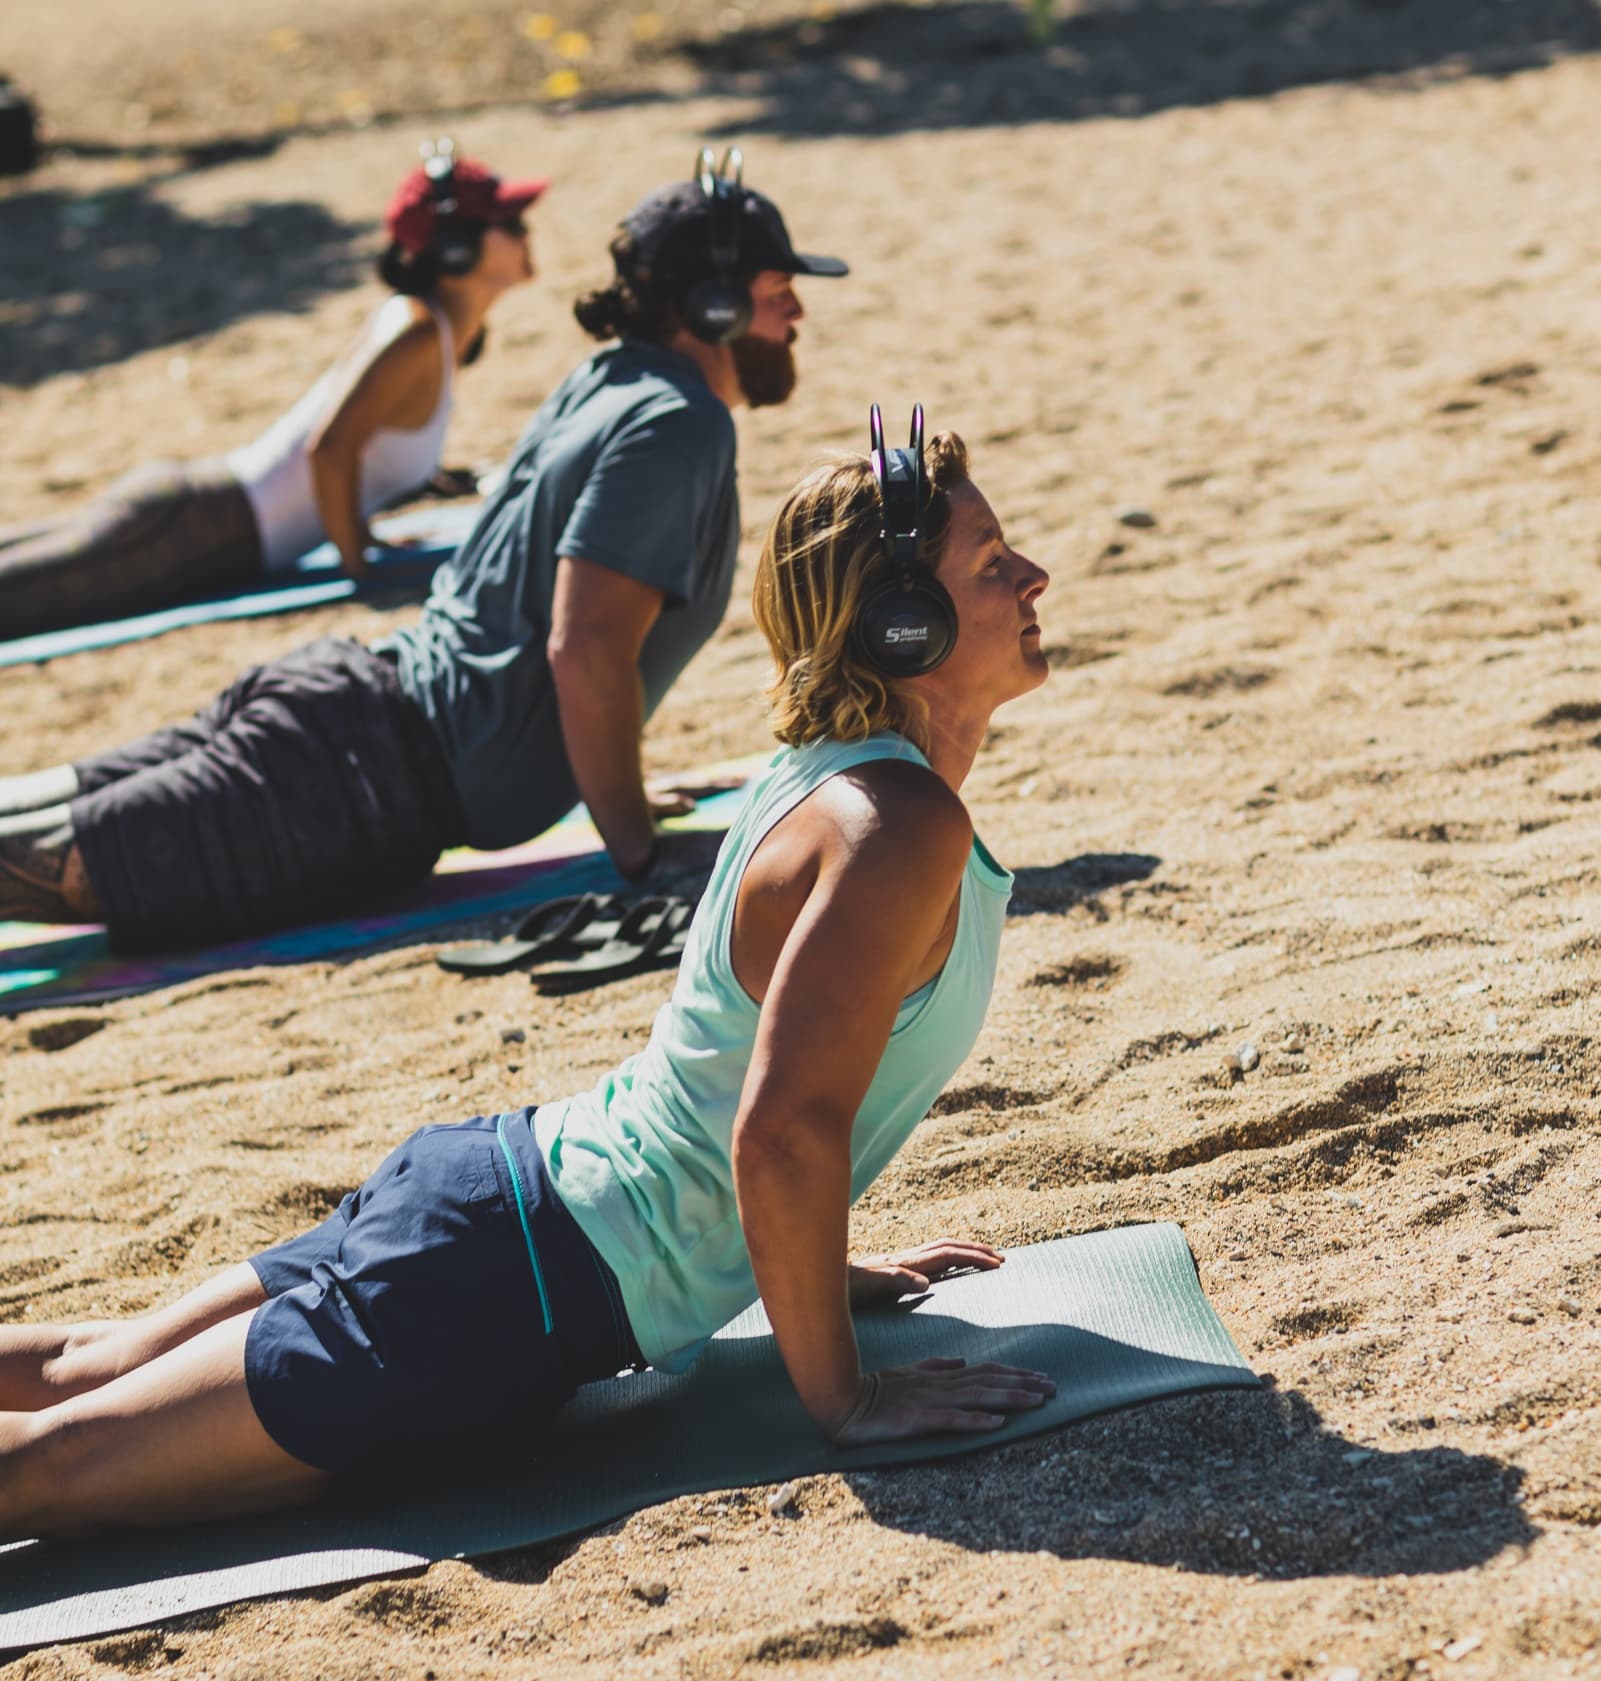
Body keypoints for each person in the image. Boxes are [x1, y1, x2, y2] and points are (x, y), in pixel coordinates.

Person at [0, 416, 1057, 1536]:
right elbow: (780, 1129)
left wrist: (814, 1268)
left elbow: (729, 1075)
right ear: (902, 622)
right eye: (992, 563)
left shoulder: (838, 779)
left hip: (495, 1198)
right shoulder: (895, 824)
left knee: (85, 1370)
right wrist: (847, 1397)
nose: (1033, 574)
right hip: (506, 1290)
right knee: (46, 1474)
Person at [0, 149, 847, 950]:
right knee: (61, 872)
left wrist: (618, 791)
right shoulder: (678, 423)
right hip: (358, 782)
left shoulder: (610, 380)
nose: (797, 311)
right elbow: (584, 645)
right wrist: (635, 848)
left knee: (35, 820)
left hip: (347, 722)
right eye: (778, 289)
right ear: (714, 308)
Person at [0, 144, 545, 641]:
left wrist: (368, 534)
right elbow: (329, 448)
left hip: (202, 525)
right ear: (455, 250)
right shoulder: (417, 331)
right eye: (512, 224)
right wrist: (361, 569)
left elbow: (355, 448)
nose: (527, 235)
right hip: (195, 534)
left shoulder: (435, 330)